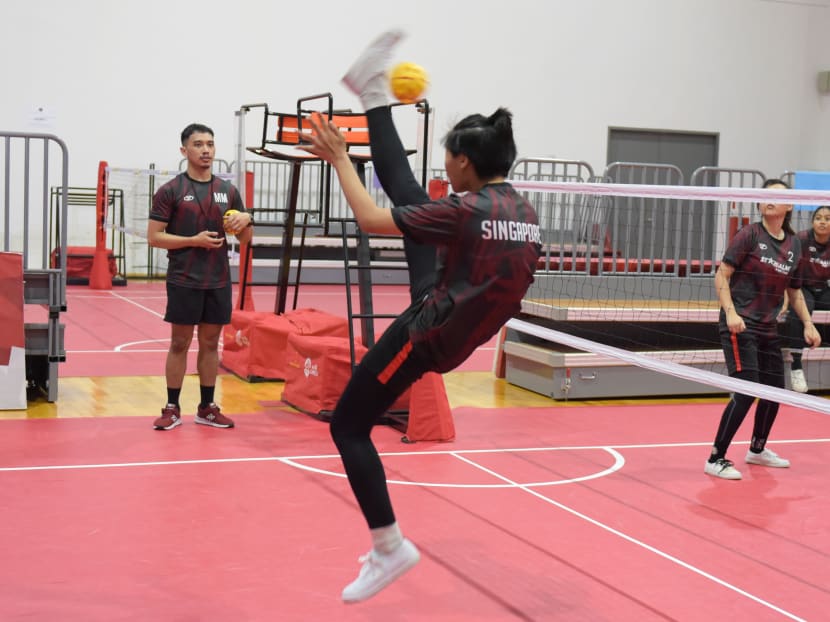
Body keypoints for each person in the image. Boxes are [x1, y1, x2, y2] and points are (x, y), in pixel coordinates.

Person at [298, 30, 541, 602]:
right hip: (462, 314)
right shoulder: (524, 210)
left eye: (449, 158)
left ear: (465, 161)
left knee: (348, 426)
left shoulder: (465, 209)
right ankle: (372, 93)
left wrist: (340, 159)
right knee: (410, 196)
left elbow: (369, 220)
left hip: (429, 330)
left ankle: (389, 547)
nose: (445, 166)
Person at [706, 179, 820, 480]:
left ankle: (757, 449)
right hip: (740, 324)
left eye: (776, 196)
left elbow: (794, 290)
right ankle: (715, 457)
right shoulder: (749, 234)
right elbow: (722, 275)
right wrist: (731, 313)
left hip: (768, 326)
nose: (768, 199)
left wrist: (808, 324)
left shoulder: (794, 245)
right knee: (746, 391)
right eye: (764, 195)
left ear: (789, 205)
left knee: (775, 391)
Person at [147, 123, 253, 431]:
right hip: (183, 278)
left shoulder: (228, 191)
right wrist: (194, 240)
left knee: (210, 344)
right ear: (184, 150)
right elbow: (154, 237)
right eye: (198, 144)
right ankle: (171, 408)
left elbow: (245, 239)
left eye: (210, 144)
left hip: (217, 279)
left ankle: (207, 407)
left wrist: (246, 220)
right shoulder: (171, 190)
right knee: (179, 343)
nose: (205, 150)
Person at [781, 205, 830, 392]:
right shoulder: (800, 239)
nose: (823, 222)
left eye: (827, 219)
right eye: (818, 218)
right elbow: (787, 271)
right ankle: (796, 367)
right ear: (812, 221)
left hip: (824, 289)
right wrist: (785, 299)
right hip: (802, 288)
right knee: (798, 311)